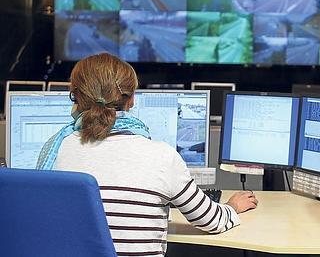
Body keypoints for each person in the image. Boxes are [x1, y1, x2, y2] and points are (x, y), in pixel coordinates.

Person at [37, 53, 258, 256]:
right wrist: (232, 207)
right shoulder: (162, 156)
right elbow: (211, 221)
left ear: (75, 98)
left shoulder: (55, 149)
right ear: (131, 100)